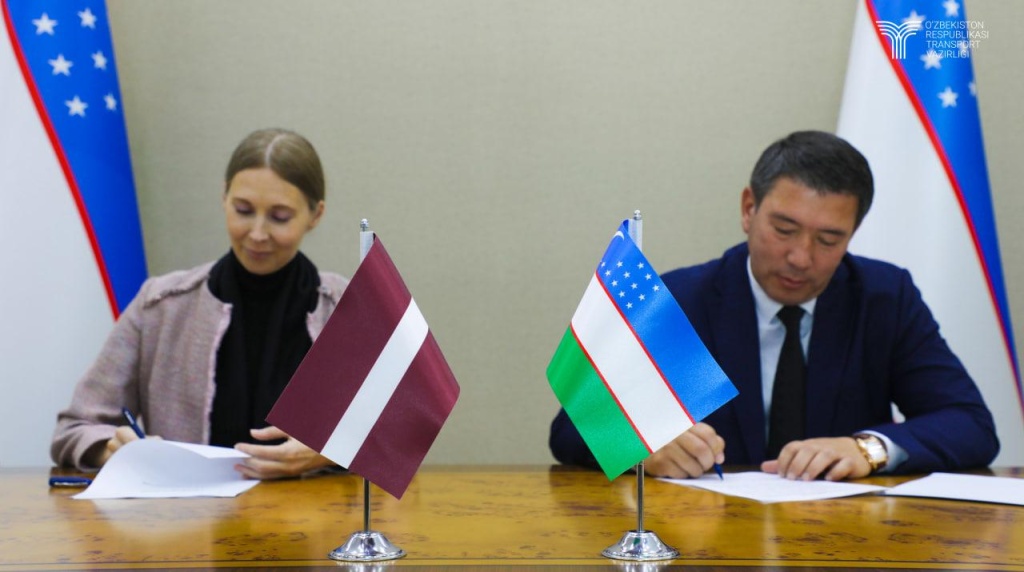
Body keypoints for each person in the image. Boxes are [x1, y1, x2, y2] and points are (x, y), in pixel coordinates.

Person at [550, 130, 999, 481]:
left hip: (845, 539)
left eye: (829, 239)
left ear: (852, 234)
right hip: (709, 539)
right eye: (784, 230)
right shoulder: (684, 300)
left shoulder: (883, 298)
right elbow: (571, 429)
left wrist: (869, 449)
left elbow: (970, 424)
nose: (801, 258)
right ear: (749, 209)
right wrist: (642, 447)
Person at [51, 128, 348, 480]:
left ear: (316, 215)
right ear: (224, 198)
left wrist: (331, 449)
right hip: (187, 513)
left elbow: (396, 437)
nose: (257, 233)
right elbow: (76, 428)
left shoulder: (349, 309)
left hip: (320, 515)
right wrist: (113, 449)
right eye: (243, 210)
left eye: (280, 217)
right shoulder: (159, 305)